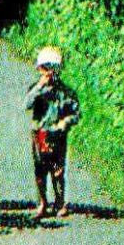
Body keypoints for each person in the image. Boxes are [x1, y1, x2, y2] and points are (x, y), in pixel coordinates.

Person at [25, 46, 80, 220]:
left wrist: (66, 121)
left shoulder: (65, 92)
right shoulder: (36, 89)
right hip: (40, 133)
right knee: (40, 169)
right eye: (45, 69)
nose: (49, 74)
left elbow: (76, 112)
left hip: (58, 134)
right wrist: (40, 87)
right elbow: (27, 104)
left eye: (52, 69)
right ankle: (42, 202)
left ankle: (60, 202)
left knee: (58, 169)